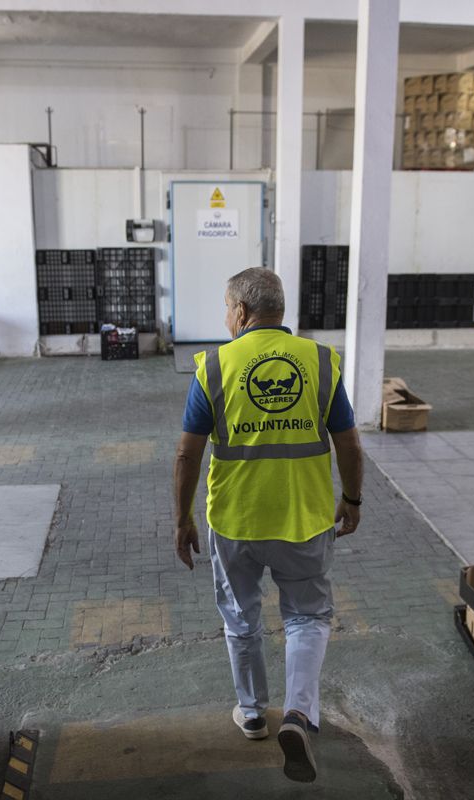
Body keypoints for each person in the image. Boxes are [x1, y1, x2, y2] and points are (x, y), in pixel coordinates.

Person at [173, 267, 364, 783]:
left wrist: (182, 519)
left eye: (225, 309)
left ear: (239, 312)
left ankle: (254, 713)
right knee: (307, 616)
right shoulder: (319, 361)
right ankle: (299, 713)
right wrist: (352, 498)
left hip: (234, 520)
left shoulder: (215, 364)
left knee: (241, 615)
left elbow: (187, 454)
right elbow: (348, 441)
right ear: (280, 311)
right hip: (303, 518)